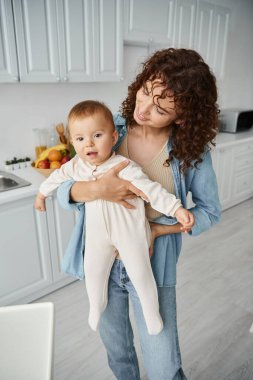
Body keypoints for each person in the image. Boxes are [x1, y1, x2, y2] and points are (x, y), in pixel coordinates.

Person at [57, 48, 221, 380]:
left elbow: (209, 211)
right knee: (119, 355)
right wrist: (98, 190)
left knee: (164, 365)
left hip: (153, 263)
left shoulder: (190, 153)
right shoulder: (107, 129)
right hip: (101, 263)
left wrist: (158, 231)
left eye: (161, 108)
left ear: (182, 117)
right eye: (146, 92)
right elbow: (64, 190)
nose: (144, 109)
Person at [34, 100, 194, 335]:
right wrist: (41, 194)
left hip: (128, 232)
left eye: (97, 135)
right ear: (72, 143)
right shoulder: (75, 167)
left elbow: (152, 191)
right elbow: (56, 178)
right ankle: (95, 306)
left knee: (140, 272)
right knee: (93, 270)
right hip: (97, 234)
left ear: (113, 136)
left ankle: (152, 314)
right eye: (80, 139)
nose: (88, 143)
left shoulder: (124, 166)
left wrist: (177, 209)